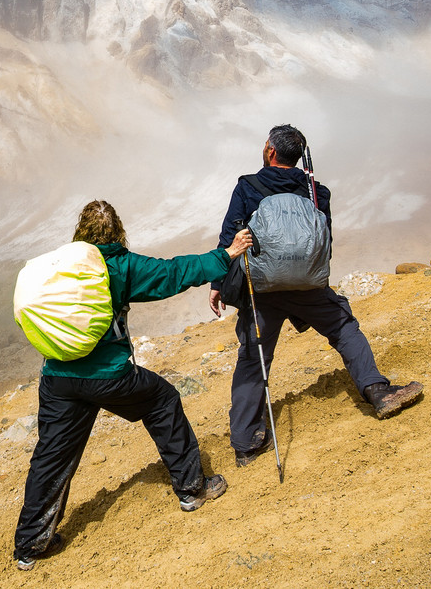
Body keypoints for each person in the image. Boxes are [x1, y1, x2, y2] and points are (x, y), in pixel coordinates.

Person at [13, 200, 253, 571]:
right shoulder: (122, 266)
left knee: (51, 455)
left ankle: (30, 544)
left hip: (58, 379)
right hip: (108, 376)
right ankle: (192, 489)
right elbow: (174, 273)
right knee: (163, 400)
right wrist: (225, 255)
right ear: (118, 233)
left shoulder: (61, 268)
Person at [209, 124, 423, 467]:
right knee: (343, 327)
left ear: (270, 151)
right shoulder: (316, 191)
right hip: (309, 286)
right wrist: (314, 278)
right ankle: (378, 392)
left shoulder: (248, 187)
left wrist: (217, 284)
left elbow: (229, 237)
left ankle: (246, 443)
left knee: (253, 358)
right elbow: (325, 239)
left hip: (261, 289)